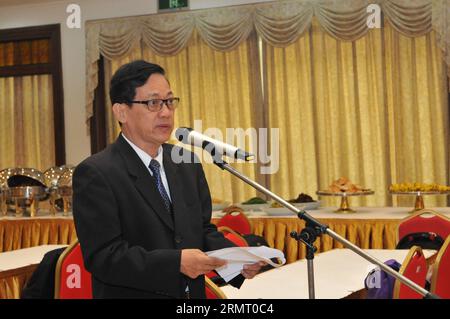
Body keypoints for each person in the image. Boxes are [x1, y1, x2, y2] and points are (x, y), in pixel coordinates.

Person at [72, 60, 264, 298]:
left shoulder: (186, 163)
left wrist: (238, 260)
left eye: (169, 102)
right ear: (121, 111)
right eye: (153, 103)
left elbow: (201, 230)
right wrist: (176, 263)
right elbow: (104, 256)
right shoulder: (97, 173)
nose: (165, 112)